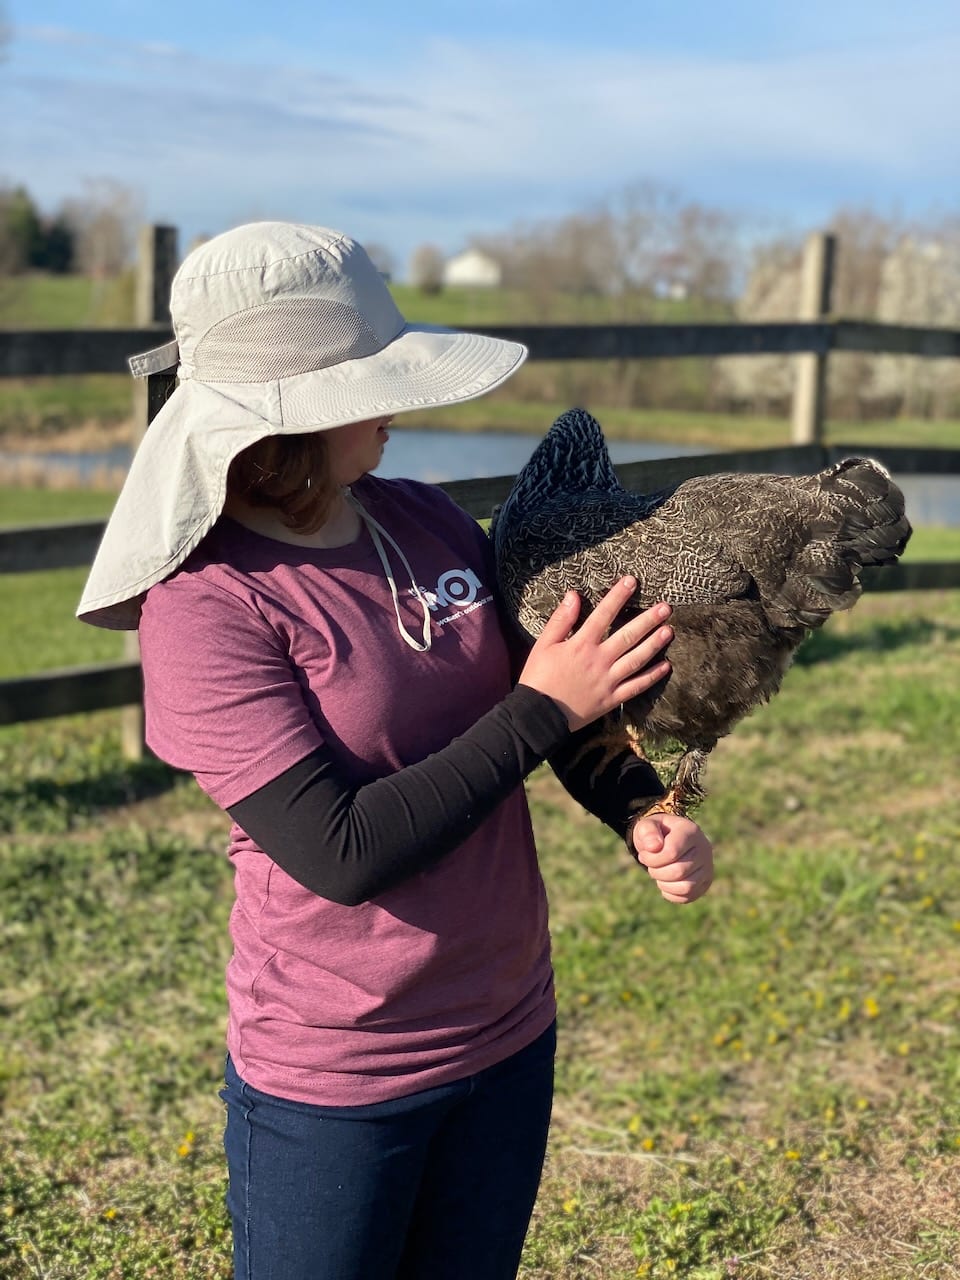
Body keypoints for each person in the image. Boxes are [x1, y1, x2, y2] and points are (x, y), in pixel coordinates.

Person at [78, 222, 714, 1280]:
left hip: (508, 1027)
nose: (398, 408)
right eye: (369, 387)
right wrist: (540, 710)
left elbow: (562, 693)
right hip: (337, 1079)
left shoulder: (425, 520)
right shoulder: (207, 606)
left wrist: (640, 809)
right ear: (294, 419)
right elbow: (338, 847)